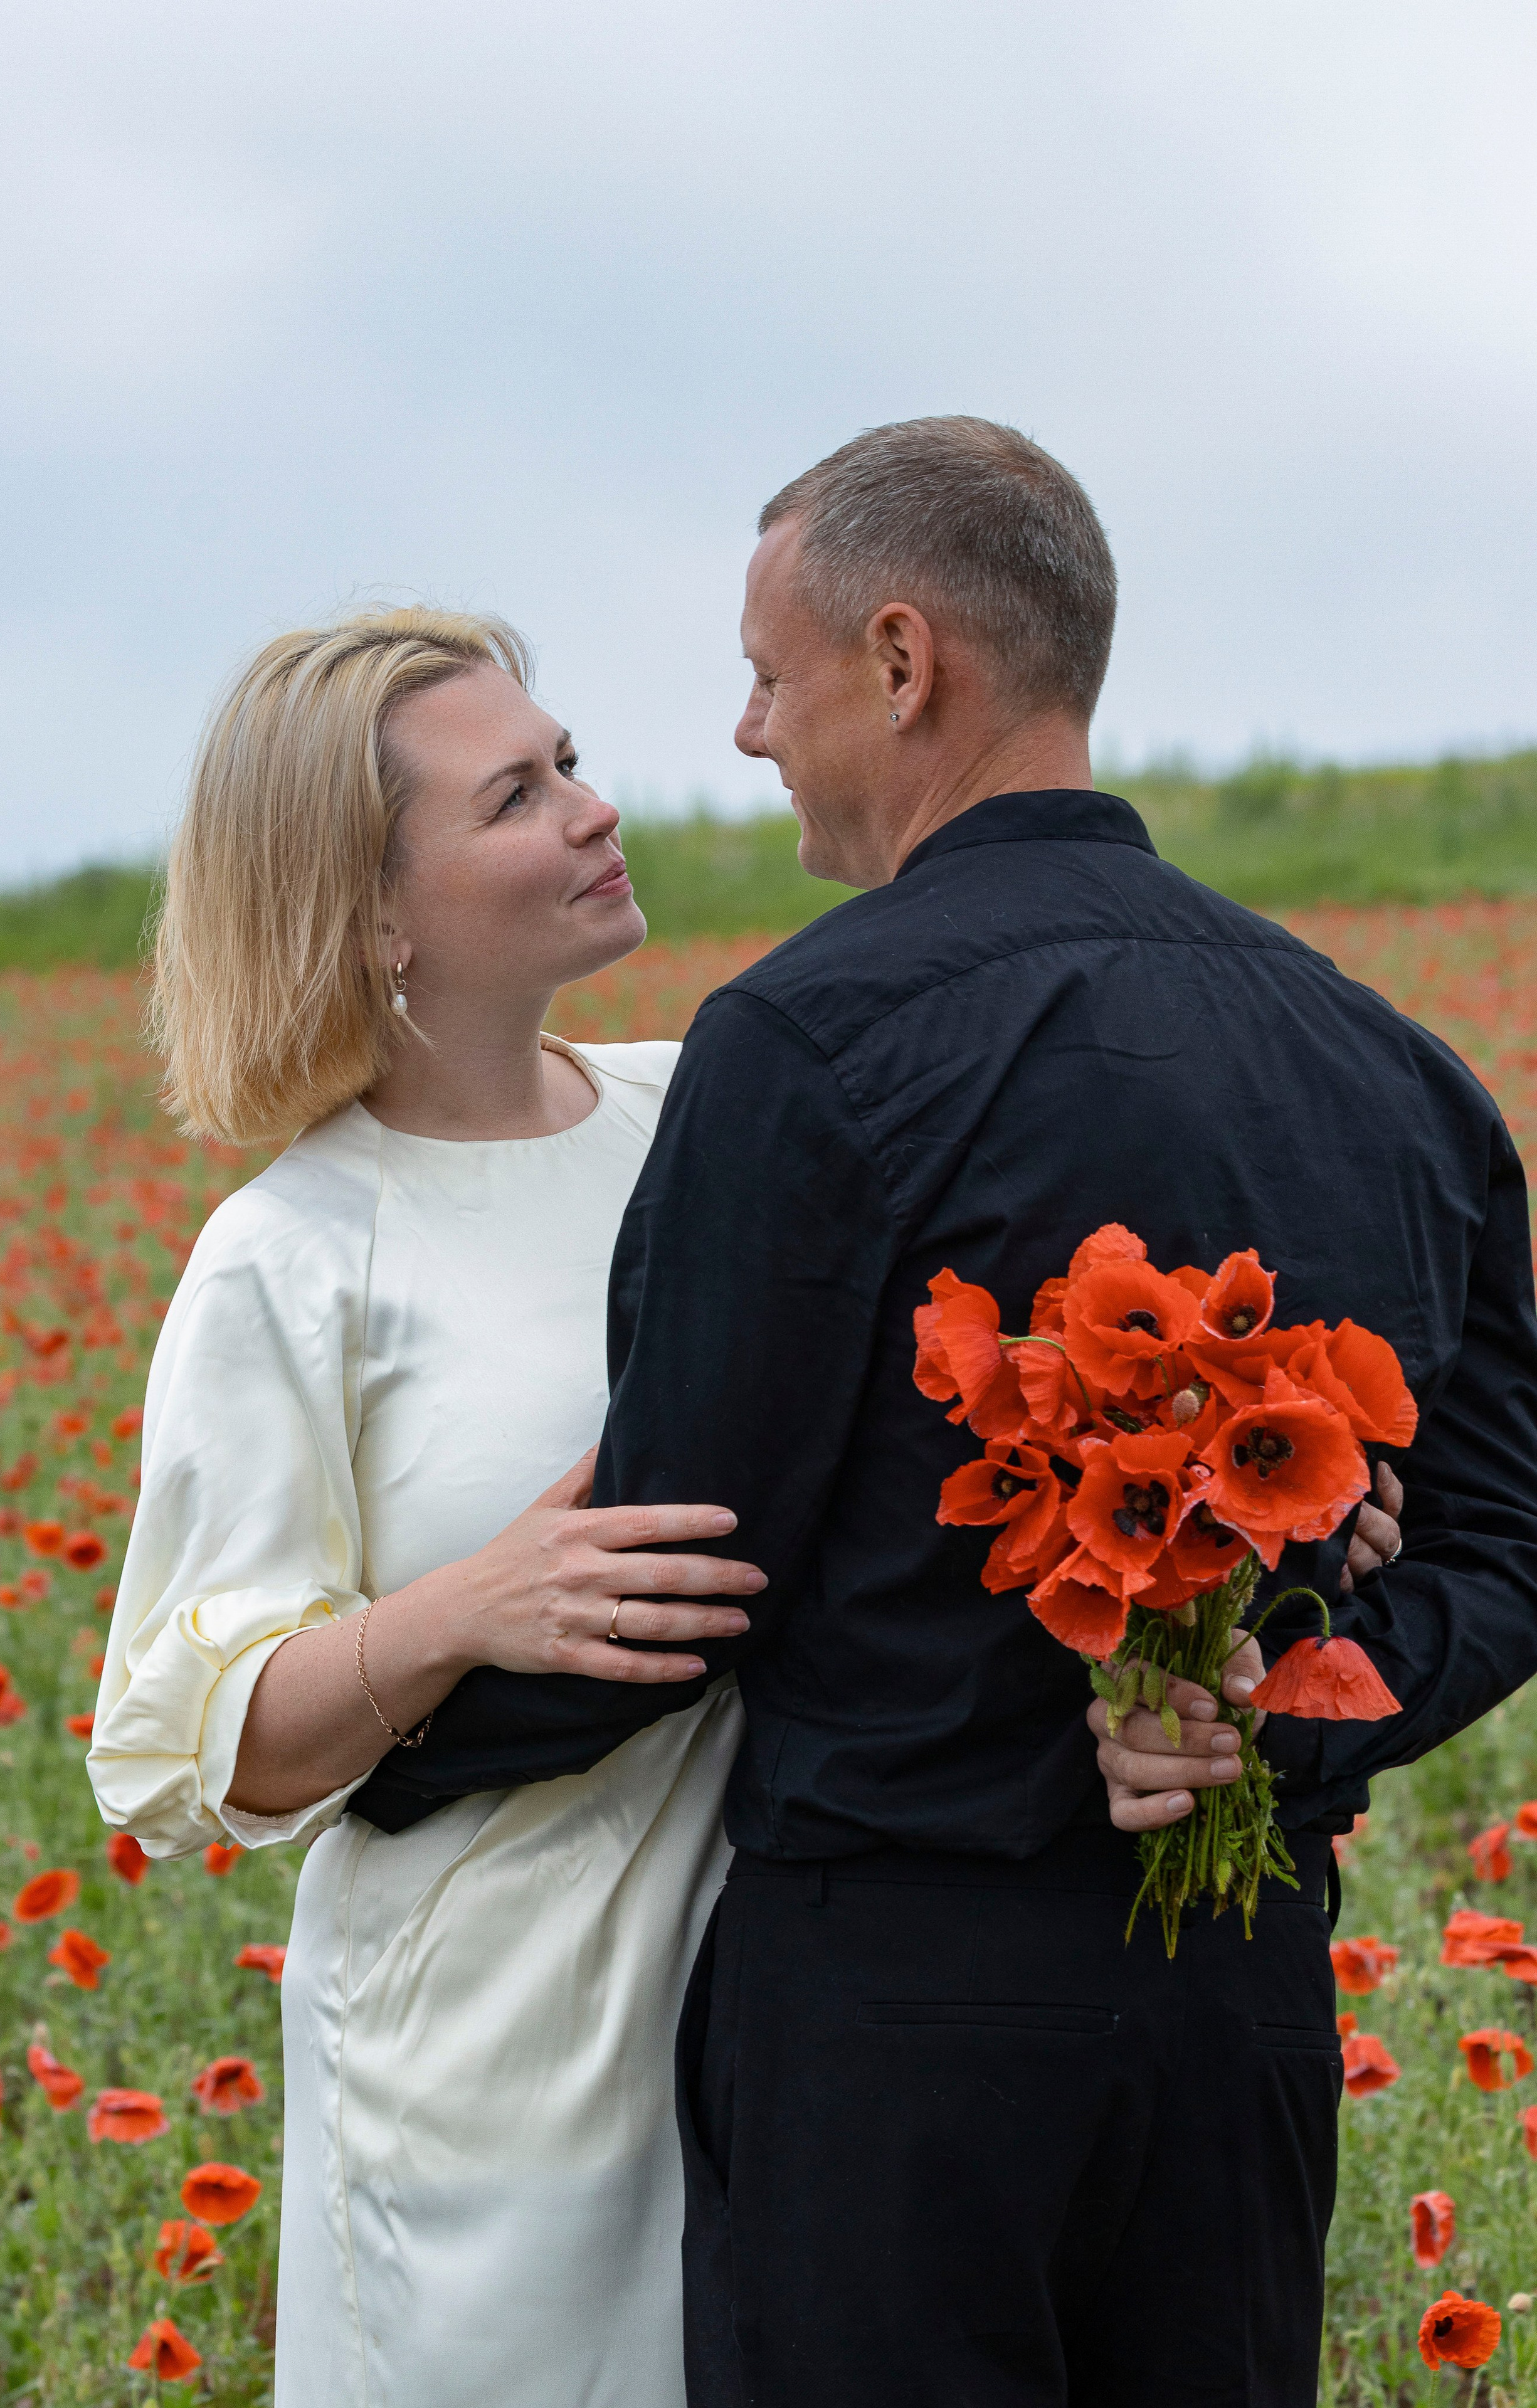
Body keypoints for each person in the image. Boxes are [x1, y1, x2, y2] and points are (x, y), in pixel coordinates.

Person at [379, 420, 1537, 2407]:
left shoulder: (811, 1044)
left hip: (896, 2024)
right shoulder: (1395, 1071)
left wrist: (371, 1739)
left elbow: (675, 1577)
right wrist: (1275, 1719)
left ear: (904, 662)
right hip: (1241, 2005)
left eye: (768, 673)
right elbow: (1509, 1547)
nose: (747, 734)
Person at [86, 608, 767, 2408]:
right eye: (517, 797)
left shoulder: (696, 1118)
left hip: (761, 2005)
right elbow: (197, 1748)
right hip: (483, 2055)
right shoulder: (294, 1257)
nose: (595, 810)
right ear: (375, 913)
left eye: (571, 762)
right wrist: (468, 1608)